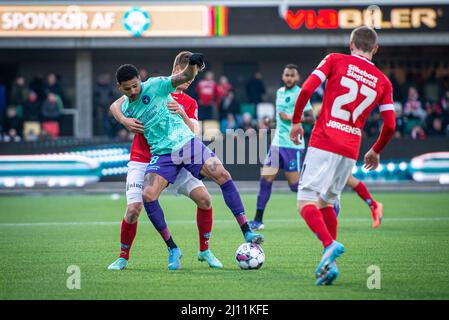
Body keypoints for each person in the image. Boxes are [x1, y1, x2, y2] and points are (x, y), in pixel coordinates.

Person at [109, 52, 263, 270]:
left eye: (135, 87)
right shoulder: (128, 102)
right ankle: (162, 249)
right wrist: (124, 120)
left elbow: (186, 86)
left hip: (186, 148)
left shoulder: (164, 89)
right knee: (142, 201)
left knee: (216, 183)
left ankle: (241, 232)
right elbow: (114, 106)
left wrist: (193, 65)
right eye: (128, 89)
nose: (133, 91)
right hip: (155, 156)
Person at [290, 26, 396, 285]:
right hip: (351, 147)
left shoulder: (335, 60)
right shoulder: (383, 81)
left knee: (305, 203)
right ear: (375, 49)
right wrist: (376, 150)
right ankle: (331, 265)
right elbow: (390, 125)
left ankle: (329, 245)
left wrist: (295, 122)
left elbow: (305, 90)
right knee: (326, 202)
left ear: (351, 43)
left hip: (324, 139)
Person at [249, 64, 314, 231]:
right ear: (283, 76)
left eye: (292, 75)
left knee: (294, 186)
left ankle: (321, 203)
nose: (289, 78)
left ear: (297, 78)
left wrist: (291, 117)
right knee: (265, 180)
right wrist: (269, 123)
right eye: (287, 75)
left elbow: (310, 118)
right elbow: (280, 121)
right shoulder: (279, 93)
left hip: (293, 146)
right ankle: (257, 220)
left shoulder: (301, 93)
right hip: (277, 144)